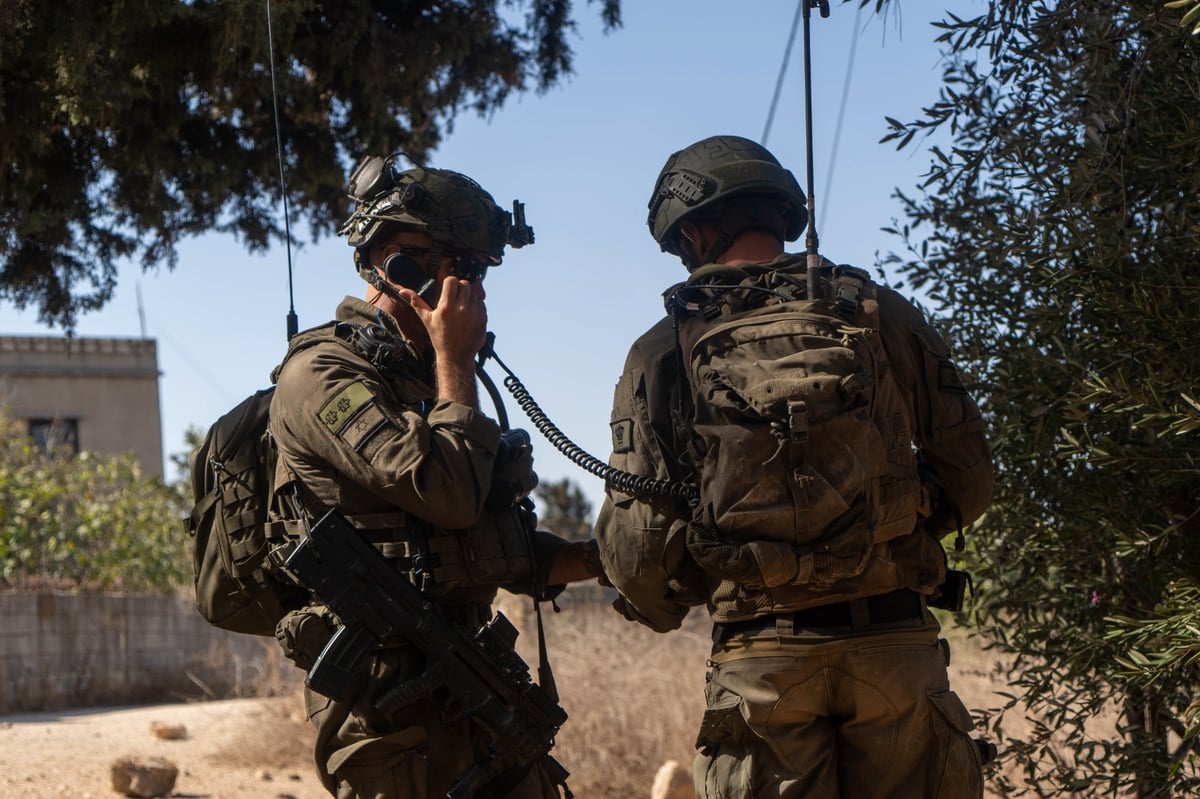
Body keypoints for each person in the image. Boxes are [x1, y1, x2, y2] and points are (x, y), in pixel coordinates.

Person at [594, 134, 994, 799]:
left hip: (761, 662)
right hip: (893, 640)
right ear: (783, 213)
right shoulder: (882, 313)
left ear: (692, 231)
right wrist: (898, 537)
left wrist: (696, 583)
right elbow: (970, 478)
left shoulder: (661, 351)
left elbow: (637, 557)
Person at [268, 153, 601, 799]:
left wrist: (599, 557)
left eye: (479, 271)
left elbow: (484, 548)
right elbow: (445, 492)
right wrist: (455, 356)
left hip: (474, 682)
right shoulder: (322, 375)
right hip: (389, 711)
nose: (474, 289)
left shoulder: (428, 382)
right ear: (399, 259)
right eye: (463, 267)